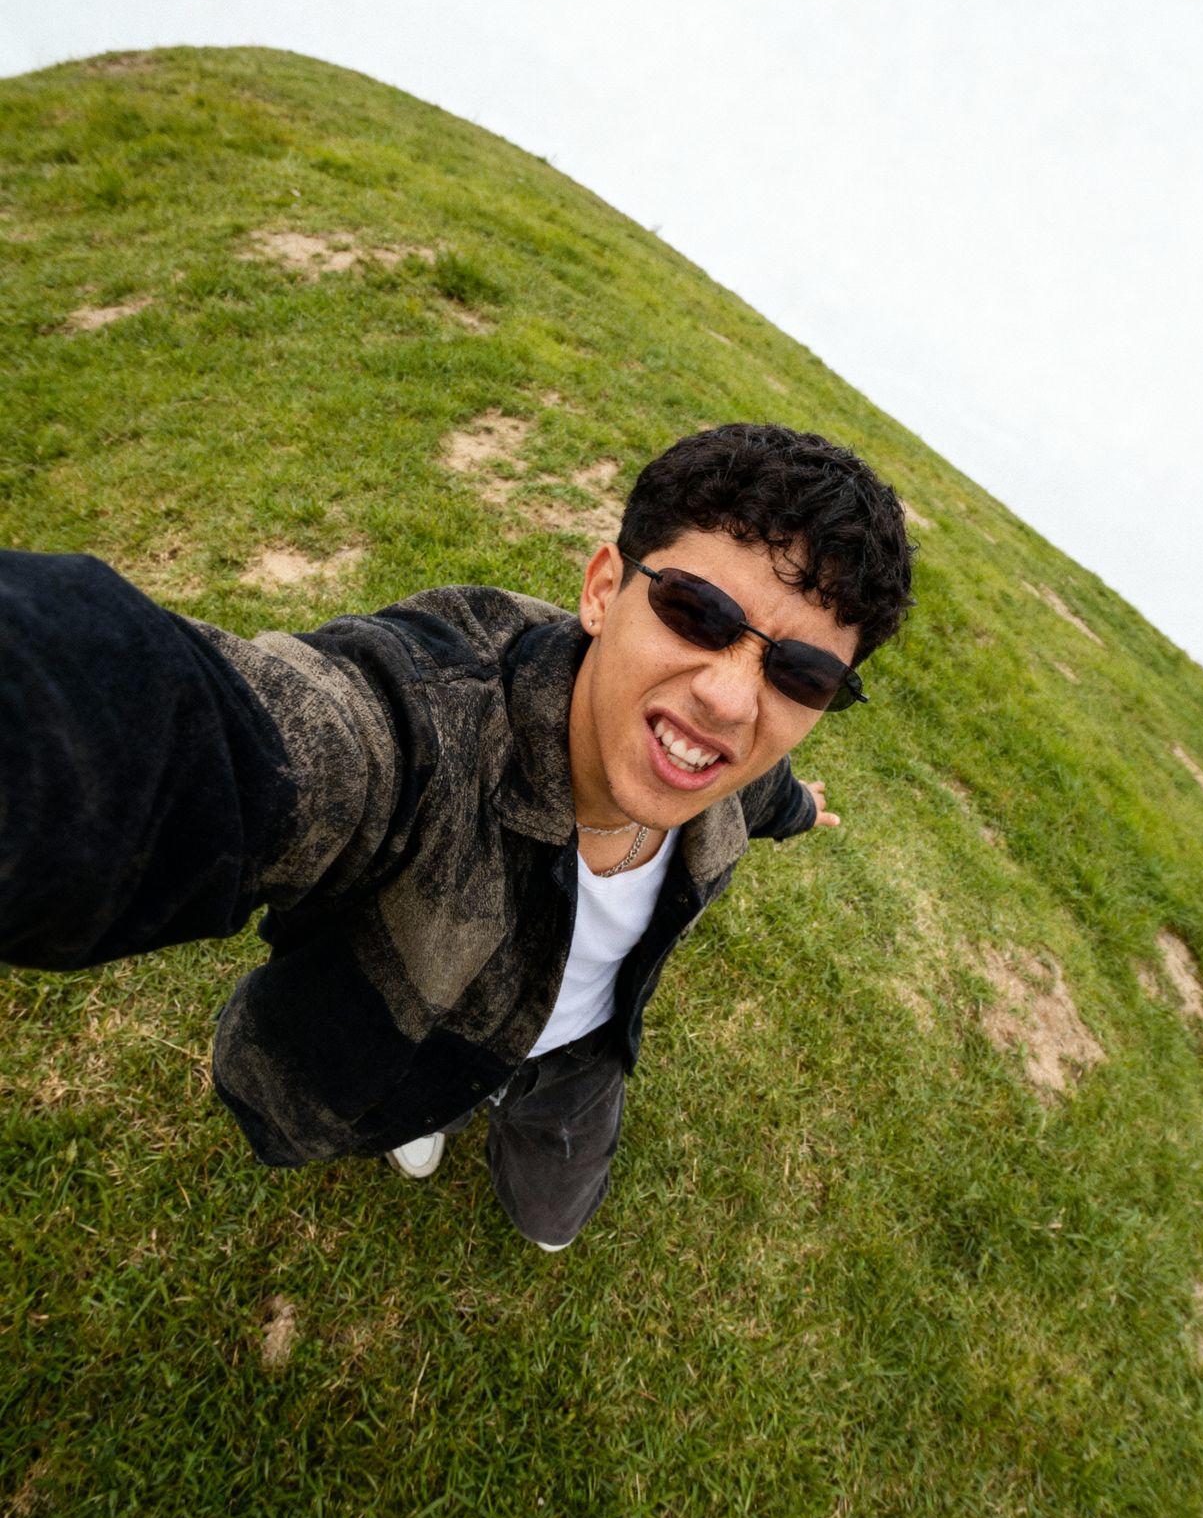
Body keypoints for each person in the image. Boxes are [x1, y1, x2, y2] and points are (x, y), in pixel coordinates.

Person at [0, 422, 914, 1251]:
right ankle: (432, 1107)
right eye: (697, 612)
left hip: (580, 1051)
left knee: (552, 1215)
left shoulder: (730, 766)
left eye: (799, 676)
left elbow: (761, 791)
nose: (728, 700)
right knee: (419, 1093)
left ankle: (527, 1122)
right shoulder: (427, 727)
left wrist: (796, 809)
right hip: (421, 1034)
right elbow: (218, 736)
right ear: (604, 590)